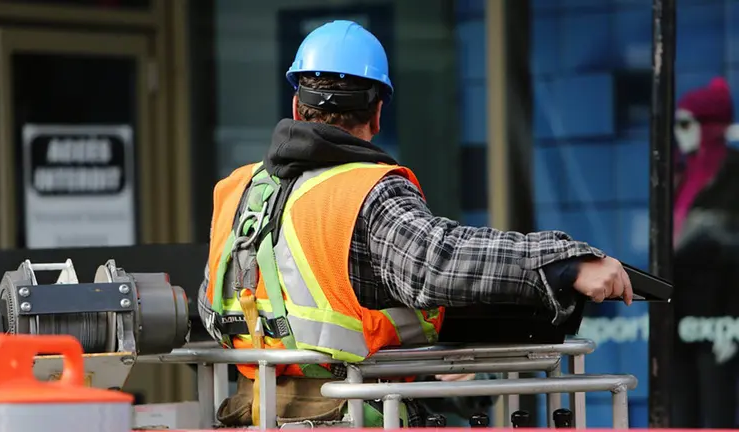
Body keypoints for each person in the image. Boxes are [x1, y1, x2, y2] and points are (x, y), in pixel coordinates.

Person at [197, 20, 633, 428]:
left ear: (296, 104)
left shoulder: (237, 191)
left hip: (252, 414)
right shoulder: (366, 191)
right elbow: (437, 263)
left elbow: (211, 304)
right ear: (378, 113)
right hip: (350, 415)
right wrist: (566, 263)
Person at [670, 78, 739, 428]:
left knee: (717, 412)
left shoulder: (733, 177)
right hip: (678, 315)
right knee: (681, 412)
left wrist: (733, 321)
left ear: (709, 126)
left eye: (686, 124)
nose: (679, 134)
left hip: (719, 317)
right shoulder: (678, 177)